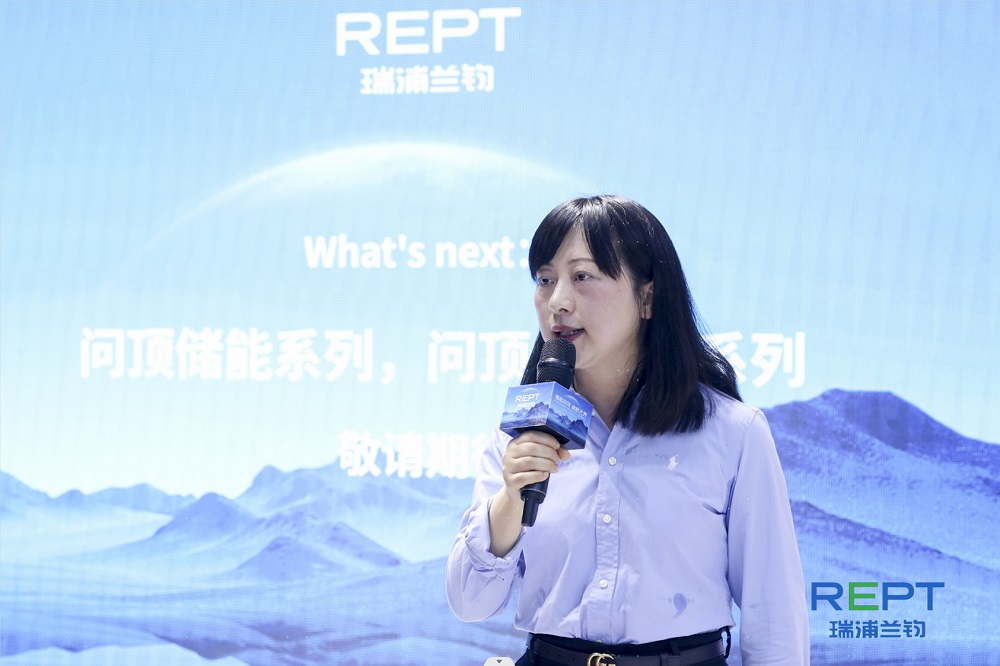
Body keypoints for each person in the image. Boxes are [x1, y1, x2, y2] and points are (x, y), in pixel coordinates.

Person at [446, 195, 809, 665]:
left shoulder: (733, 433)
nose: (557, 301)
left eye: (583, 276)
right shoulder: (521, 434)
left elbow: (775, 618)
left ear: (647, 298)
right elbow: (470, 602)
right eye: (545, 279)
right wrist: (512, 497)